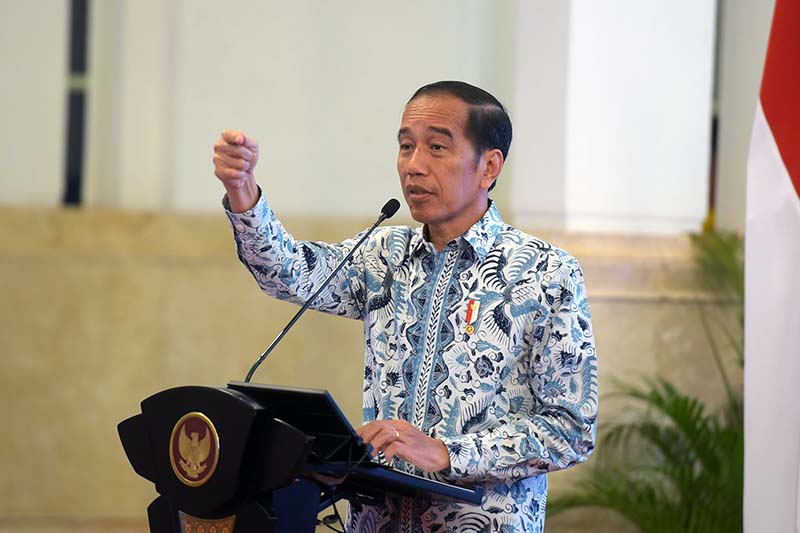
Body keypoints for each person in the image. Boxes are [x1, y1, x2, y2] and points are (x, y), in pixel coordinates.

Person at [214, 81, 597, 532]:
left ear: (489, 166)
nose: (414, 166)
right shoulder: (384, 254)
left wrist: (448, 453)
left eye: (437, 147)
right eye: (405, 146)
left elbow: (572, 428)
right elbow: (289, 272)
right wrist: (243, 192)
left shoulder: (546, 272)